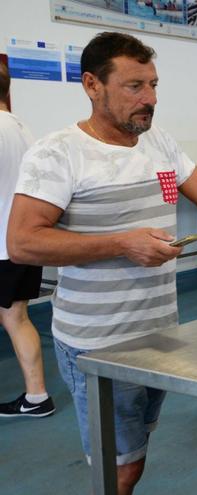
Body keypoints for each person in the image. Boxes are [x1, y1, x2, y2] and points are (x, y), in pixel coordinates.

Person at [6, 32, 197, 495]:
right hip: (98, 344)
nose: (150, 99)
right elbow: (22, 242)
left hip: (158, 335)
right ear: (92, 85)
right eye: (135, 86)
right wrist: (121, 243)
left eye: (154, 85)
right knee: (118, 469)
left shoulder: (158, 141)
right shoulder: (58, 153)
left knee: (134, 454)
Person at [0, 62, 55, 419]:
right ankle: (36, 396)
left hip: (4, 242)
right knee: (15, 315)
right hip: (22, 238)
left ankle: (37, 397)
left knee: (14, 317)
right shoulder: (22, 127)